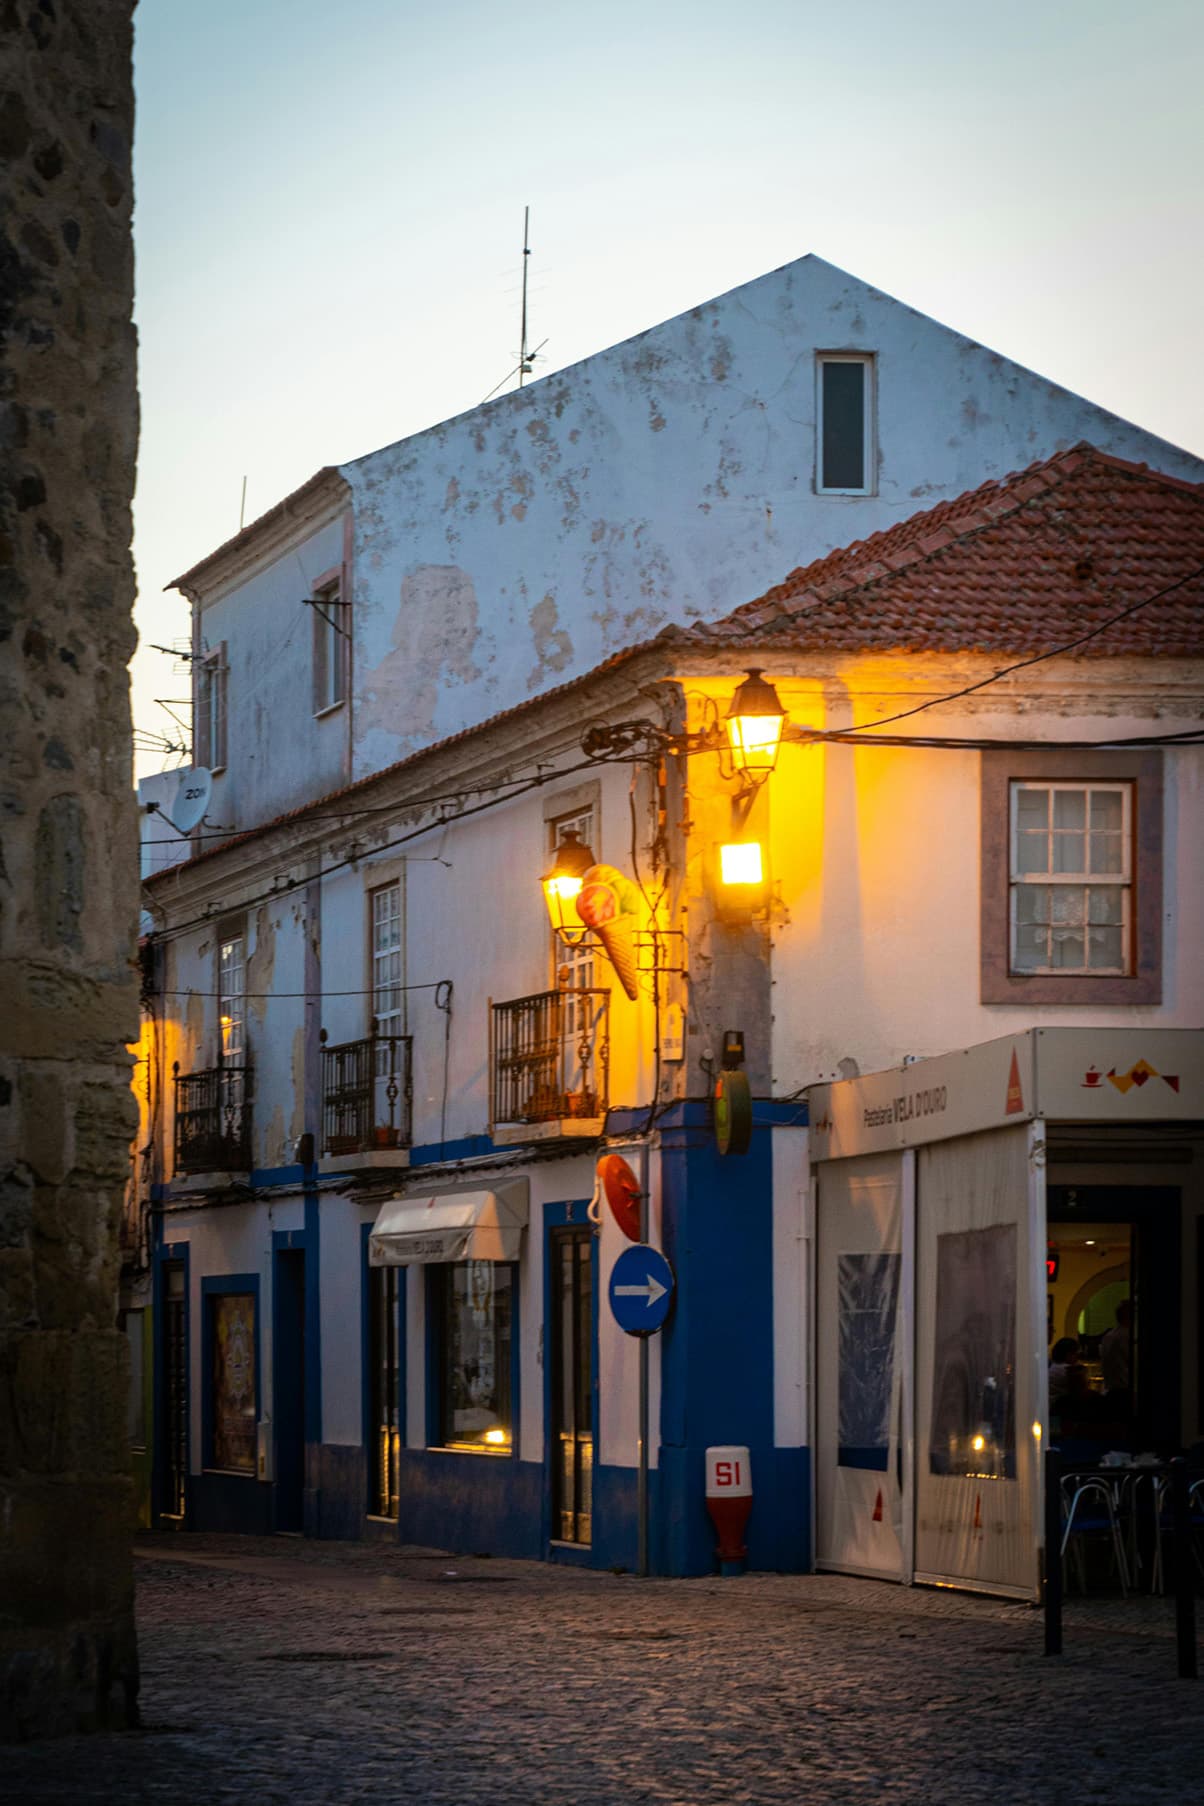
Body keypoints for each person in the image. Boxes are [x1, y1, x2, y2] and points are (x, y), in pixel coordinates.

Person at [1048, 1336, 1081, 1403]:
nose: (1077, 1358)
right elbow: (1080, 1393)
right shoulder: (1068, 1370)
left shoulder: (1053, 1367)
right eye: (1076, 1353)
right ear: (1069, 1354)